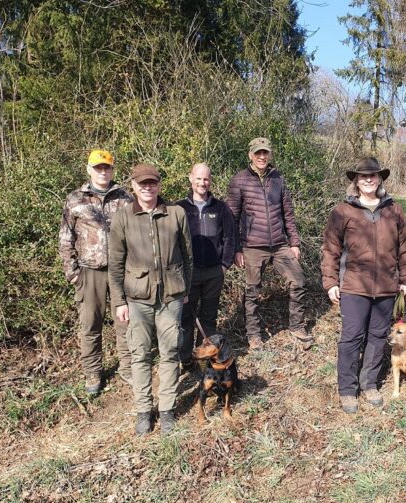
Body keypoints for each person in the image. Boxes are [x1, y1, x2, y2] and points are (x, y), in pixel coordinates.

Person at [321, 157, 406, 414]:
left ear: (380, 179)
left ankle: (369, 383)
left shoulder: (393, 210)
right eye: (363, 176)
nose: (369, 180)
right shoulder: (343, 211)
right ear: (356, 181)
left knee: (377, 337)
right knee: (351, 337)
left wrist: (405, 279)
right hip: (353, 287)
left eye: (373, 175)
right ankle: (348, 390)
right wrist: (330, 282)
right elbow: (331, 249)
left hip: (386, 287)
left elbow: (403, 247)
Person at [108, 163, 193, 436]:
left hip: (171, 296)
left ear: (159, 185)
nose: (148, 187)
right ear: (133, 185)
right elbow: (115, 264)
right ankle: (144, 410)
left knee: (170, 352)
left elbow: (188, 256)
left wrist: (185, 288)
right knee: (140, 355)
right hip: (138, 298)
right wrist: (119, 301)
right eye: (142, 183)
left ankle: (167, 409)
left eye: (152, 183)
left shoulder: (176, 214)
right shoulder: (123, 218)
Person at [58, 149, 133, 396]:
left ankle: (127, 366)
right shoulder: (76, 199)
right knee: (91, 325)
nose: (103, 171)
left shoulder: (124, 197)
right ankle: (93, 371)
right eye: (98, 167)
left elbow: (136, 233)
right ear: (89, 169)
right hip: (89, 272)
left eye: (107, 167)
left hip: (121, 271)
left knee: (125, 321)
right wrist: (73, 273)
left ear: (112, 170)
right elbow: (65, 238)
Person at [227, 137, 312, 349]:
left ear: (269, 154)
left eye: (265, 153)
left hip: (280, 244)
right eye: (258, 153)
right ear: (250, 155)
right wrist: (236, 249)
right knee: (252, 291)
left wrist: (294, 243)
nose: (262, 157)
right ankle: (254, 335)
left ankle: (296, 326)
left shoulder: (278, 179)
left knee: (298, 281)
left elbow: (288, 214)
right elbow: (231, 218)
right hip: (252, 246)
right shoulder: (240, 180)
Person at [177, 162, 236, 366]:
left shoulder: (220, 208)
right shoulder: (179, 208)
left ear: (210, 181)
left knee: (209, 317)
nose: (203, 183)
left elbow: (230, 237)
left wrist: (224, 265)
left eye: (206, 179)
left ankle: (205, 360)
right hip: (189, 274)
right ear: (190, 178)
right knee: (185, 319)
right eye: (199, 178)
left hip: (214, 272)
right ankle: (185, 360)